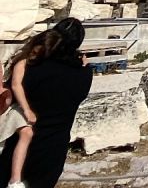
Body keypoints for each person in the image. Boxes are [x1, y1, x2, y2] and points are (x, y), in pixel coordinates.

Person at [0, 19, 92, 188]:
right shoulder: (84, 74)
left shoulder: (30, 65)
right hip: (53, 151)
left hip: (16, 145)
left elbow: (12, 92)